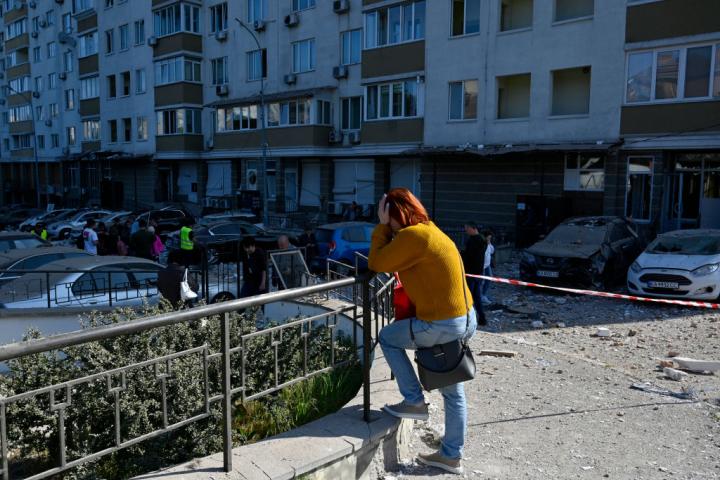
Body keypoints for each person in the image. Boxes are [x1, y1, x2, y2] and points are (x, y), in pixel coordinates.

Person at [368, 188, 478, 475]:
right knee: (453, 393)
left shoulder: (413, 236)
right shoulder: (429, 230)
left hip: (443, 323)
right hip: (465, 317)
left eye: (386, 213)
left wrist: (382, 226)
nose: (386, 220)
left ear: (395, 214)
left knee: (388, 338)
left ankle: (414, 400)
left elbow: (376, 262)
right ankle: (451, 456)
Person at [462, 222, 487, 324]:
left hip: (471, 273)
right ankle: (481, 318)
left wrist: (461, 254)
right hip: (478, 273)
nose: (466, 230)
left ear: (473, 228)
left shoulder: (473, 241)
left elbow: (469, 256)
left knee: (468, 297)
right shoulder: (482, 240)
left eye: (467, 228)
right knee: (477, 297)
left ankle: (469, 319)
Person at [481, 229, 495, 305]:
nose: (489, 239)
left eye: (490, 238)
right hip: (482, 265)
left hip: (487, 265)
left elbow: (492, 251)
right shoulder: (482, 243)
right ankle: (480, 296)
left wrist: (489, 243)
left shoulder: (488, 244)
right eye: (489, 238)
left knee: (489, 279)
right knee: (480, 282)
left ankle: (483, 294)